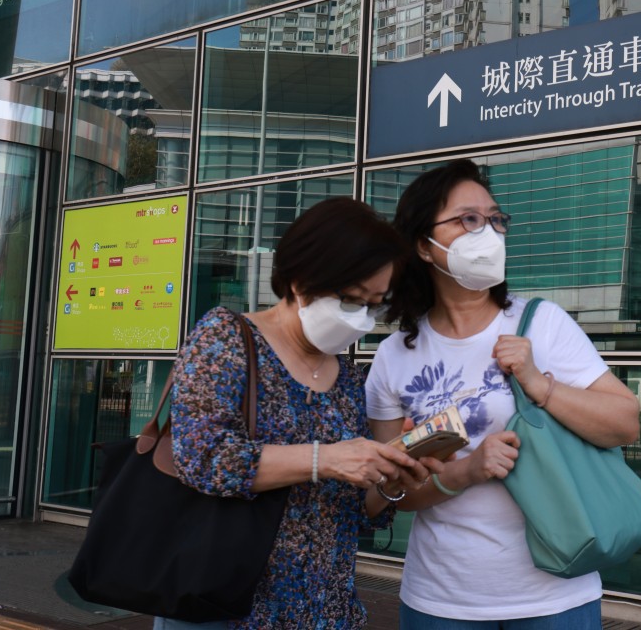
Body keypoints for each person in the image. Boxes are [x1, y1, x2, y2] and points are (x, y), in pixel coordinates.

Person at [366, 159, 641, 629]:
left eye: (495, 219)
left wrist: (538, 383)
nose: (487, 232)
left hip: (554, 594)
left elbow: (626, 423)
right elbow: (384, 497)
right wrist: (465, 471)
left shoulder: (542, 322)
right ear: (423, 247)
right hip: (441, 599)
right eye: (468, 219)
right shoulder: (395, 355)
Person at [156, 198, 436, 630]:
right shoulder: (226, 337)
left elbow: (352, 506)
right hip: (225, 606)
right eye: (350, 298)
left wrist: (391, 478)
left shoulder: (345, 376)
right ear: (302, 276)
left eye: (374, 304)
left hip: (325, 609)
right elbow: (201, 458)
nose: (360, 318)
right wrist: (326, 458)